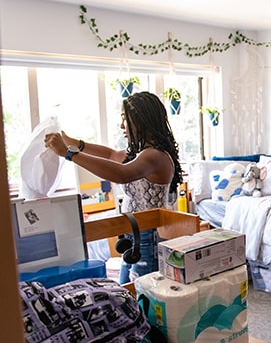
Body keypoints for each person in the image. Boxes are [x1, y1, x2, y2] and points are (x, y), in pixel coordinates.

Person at [45, 91, 183, 284]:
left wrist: (69, 154)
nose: (121, 126)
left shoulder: (155, 156)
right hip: (133, 233)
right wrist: (74, 143)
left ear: (140, 121)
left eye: (124, 119)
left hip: (146, 236)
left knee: (141, 293)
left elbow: (121, 173)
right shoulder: (140, 153)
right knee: (126, 290)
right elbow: (110, 155)